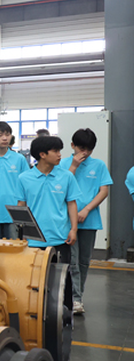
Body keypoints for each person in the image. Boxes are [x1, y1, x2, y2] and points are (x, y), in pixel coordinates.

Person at [60, 128, 112, 315]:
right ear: (72, 146)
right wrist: (73, 166)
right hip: (68, 221)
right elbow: (61, 188)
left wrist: (87, 209)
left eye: (89, 149)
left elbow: (104, 191)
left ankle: (78, 296)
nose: (85, 153)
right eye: (81, 148)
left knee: (84, 261)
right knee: (72, 261)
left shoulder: (98, 165)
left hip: (90, 220)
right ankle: (74, 299)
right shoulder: (63, 164)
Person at [16, 135, 80, 265]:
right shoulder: (23, 178)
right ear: (42, 155)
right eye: (55, 151)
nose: (59, 155)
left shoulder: (67, 176)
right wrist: (22, 234)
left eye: (59, 151)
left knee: (61, 275)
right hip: (33, 240)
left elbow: (72, 204)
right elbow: (21, 206)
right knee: (34, 276)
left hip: (61, 238)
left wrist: (73, 230)